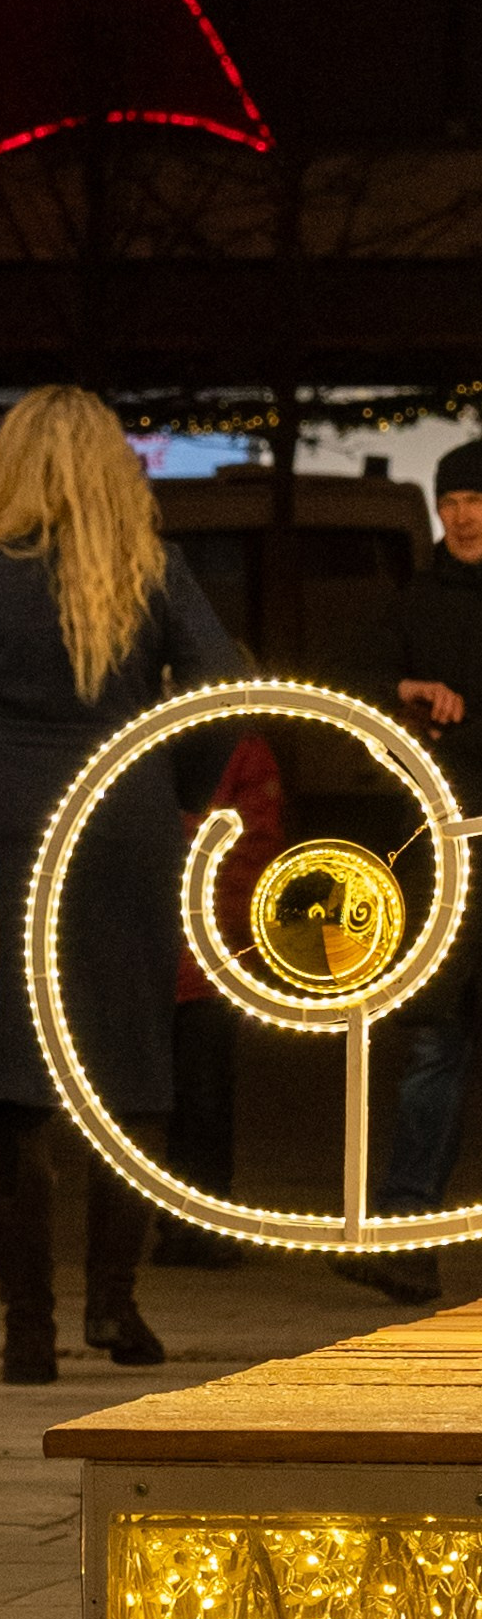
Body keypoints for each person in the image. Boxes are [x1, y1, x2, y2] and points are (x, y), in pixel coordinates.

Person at [0, 388, 239, 1384]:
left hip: (3, 815)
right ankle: (116, 1305)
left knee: (9, 1081)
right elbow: (217, 684)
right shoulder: (150, 564)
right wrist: (175, 790)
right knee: (128, 1065)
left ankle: (28, 1327)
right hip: (124, 814)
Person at [336, 439, 482, 1304]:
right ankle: (402, 1228)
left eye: (476, 498)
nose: (462, 513)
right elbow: (339, 680)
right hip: (436, 854)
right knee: (433, 1041)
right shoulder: (412, 602)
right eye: (452, 498)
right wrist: (404, 690)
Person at [153, 733, 285, 1269]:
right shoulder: (243, 747)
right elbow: (257, 847)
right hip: (209, 954)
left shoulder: (235, 747)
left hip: (194, 954)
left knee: (185, 1098)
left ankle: (188, 1223)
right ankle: (197, 1224)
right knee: (201, 1098)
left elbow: (253, 849)